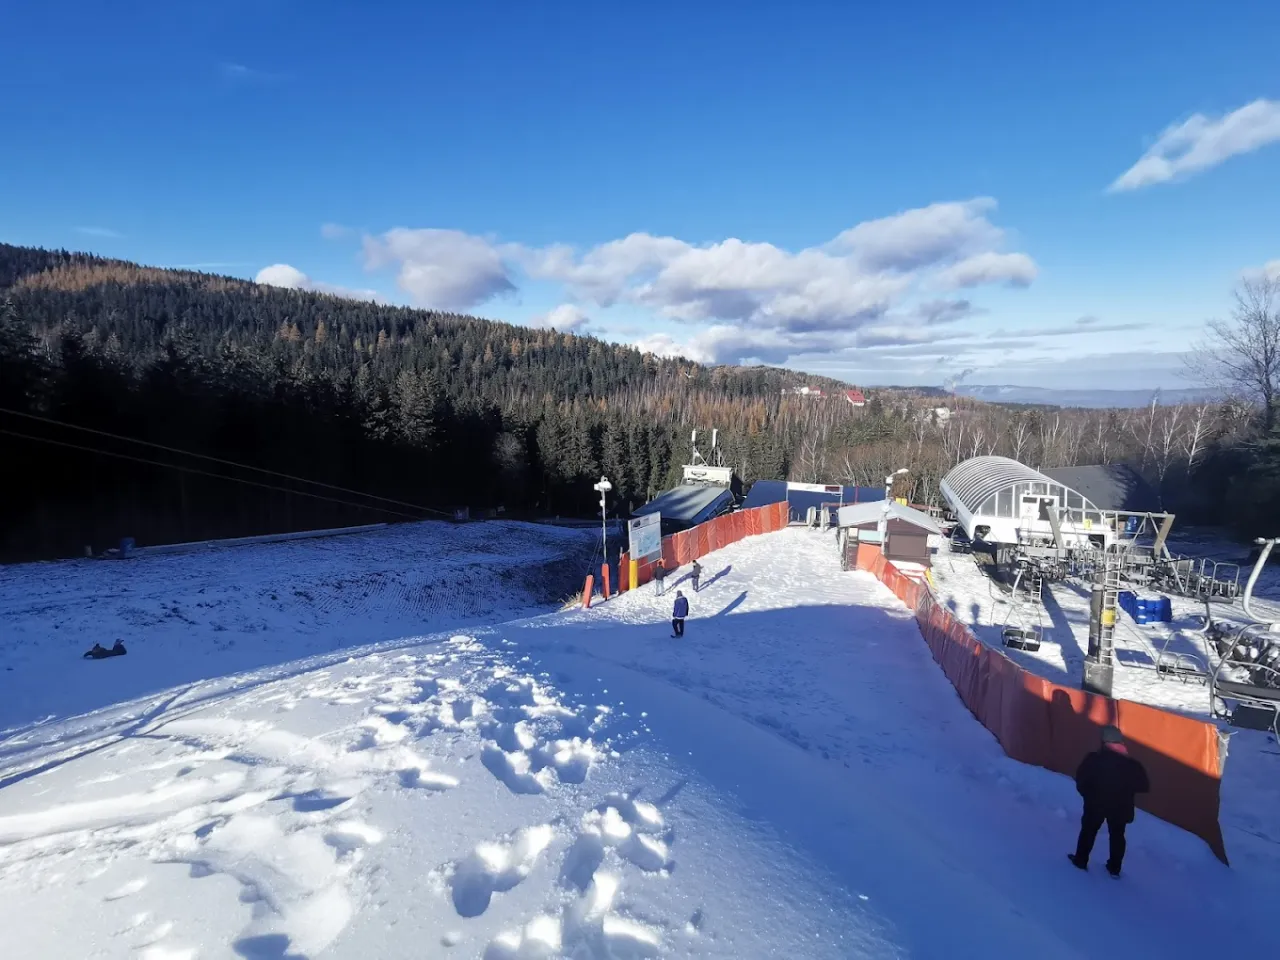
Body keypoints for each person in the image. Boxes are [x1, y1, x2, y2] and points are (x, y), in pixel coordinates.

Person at [1069, 724, 1149, 877]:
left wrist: (1087, 794)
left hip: (1095, 804)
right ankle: (1114, 868)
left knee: (1088, 831)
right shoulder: (1131, 765)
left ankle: (1080, 860)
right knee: (1118, 835)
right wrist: (1126, 789)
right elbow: (1143, 785)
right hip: (1120, 807)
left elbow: (1081, 779)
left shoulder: (1094, 759)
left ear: (1103, 741)